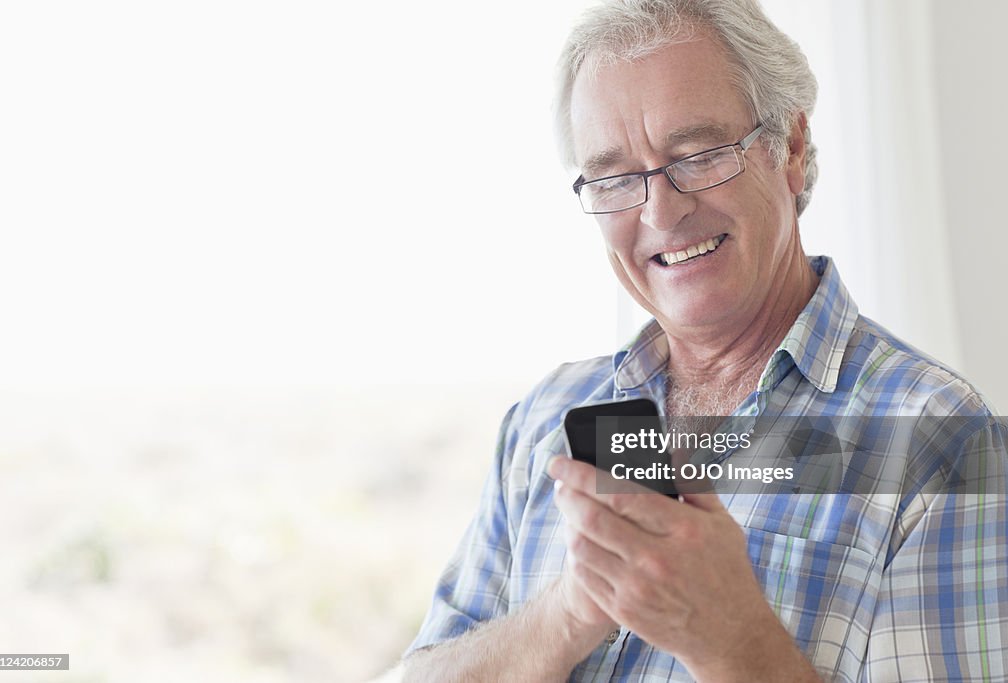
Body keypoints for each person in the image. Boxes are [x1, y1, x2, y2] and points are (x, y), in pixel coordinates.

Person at [402, 0, 1008, 680]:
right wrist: (569, 612)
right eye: (617, 178)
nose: (661, 209)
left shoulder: (935, 439)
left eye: (697, 154)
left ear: (792, 145)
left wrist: (736, 640)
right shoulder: (547, 420)